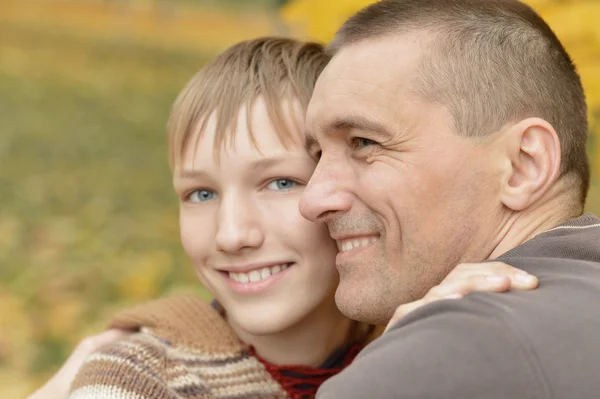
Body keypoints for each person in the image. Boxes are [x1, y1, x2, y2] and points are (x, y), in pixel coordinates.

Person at [28, 36, 537, 399]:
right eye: (200, 193)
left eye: (279, 183)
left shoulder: (412, 338)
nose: (232, 234)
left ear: (338, 193)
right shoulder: (137, 378)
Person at [297, 0, 600, 398]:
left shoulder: (441, 356)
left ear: (524, 164)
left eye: (364, 142)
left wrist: (398, 364)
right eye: (317, 154)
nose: (313, 200)